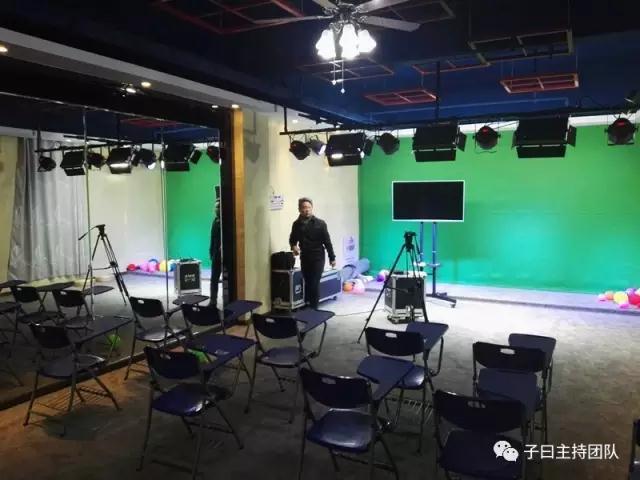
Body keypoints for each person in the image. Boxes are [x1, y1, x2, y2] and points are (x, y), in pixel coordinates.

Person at [289, 197, 336, 309]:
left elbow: (327, 242)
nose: (307, 210)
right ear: (299, 209)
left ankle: (314, 309)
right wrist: (294, 247)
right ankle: (307, 305)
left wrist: (332, 257)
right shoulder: (296, 224)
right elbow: (292, 239)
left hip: (318, 257)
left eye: (309, 207)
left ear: (312, 208)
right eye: (304, 207)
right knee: (308, 282)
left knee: (314, 283)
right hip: (305, 257)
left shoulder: (320, 223)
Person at [209, 199, 222, 307]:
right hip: (216, 255)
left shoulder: (226, 221)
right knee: (214, 279)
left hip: (225, 256)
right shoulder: (215, 221)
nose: (216, 209)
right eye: (215, 207)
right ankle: (213, 301)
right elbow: (212, 238)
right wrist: (211, 252)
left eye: (218, 207)